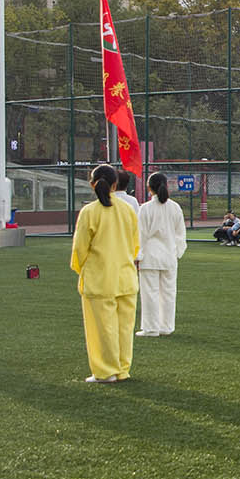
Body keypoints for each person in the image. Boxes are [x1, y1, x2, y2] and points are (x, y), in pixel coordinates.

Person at [70, 164, 140, 383]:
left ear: (92, 184)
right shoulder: (127, 209)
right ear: (115, 184)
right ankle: (121, 368)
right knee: (124, 328)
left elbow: (80, 249)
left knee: (102, 328)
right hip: (125, 277)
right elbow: (135, 245)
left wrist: (82, 270)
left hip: (100, 278)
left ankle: (104, 370)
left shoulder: (89, 212)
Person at [137, 173, 187, 338]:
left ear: (149, 187)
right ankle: (166, 326)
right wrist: (177, 252)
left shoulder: (145, 209)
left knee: (150, 292)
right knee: (168, 292)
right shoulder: (175, 208)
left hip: (150, 256)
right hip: (169, 255)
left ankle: (151, 328)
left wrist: (138, 255)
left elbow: (141, 235)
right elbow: (181, 234)